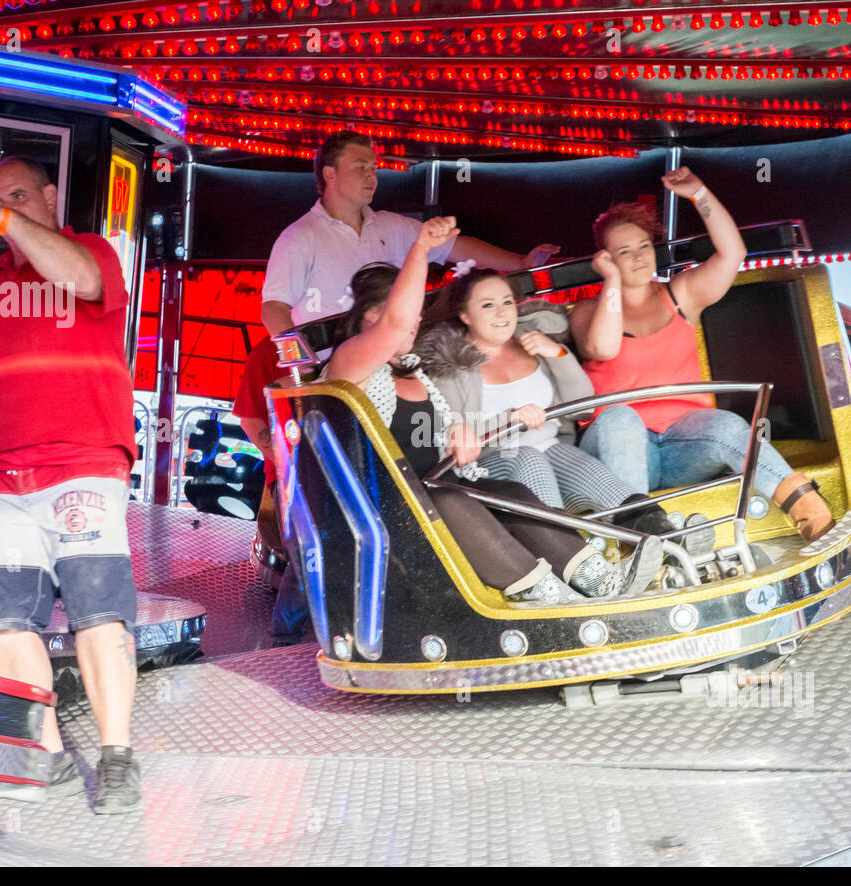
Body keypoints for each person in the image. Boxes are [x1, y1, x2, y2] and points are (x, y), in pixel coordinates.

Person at [0, 156, 141, 813]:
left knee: (98, 614)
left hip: (84, 462)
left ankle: (117, 755)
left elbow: (74, 273)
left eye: (16, 198)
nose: (0, 211)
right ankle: (44, 753)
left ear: (49, 197)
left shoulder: (92, 253)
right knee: (1, 622)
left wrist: (4, 219)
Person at [323, 218, 663, 602]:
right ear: (365, 320)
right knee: (453, 498)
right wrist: (421, 248)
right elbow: (394, 323)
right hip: (388, 503)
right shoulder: (351, 365)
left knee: (508, 491)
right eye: (385, 319)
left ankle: (599, 578)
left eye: (414, 319)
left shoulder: (416, 369)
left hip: (443, 481)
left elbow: (433, 433)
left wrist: (456, 432)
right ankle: (548, 594)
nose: (405, 327)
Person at [572, 169, 834, 542]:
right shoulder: (588, 310)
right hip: (620, 452)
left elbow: (733, 253)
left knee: (728, 425)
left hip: (681, 446)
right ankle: (640, 541)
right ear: (605, 258)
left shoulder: (679, 294)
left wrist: (699, 194)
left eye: (644, 246)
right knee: (620, 418)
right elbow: (603, 348)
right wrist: (612, 281)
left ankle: (813, 517)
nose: (637, 258)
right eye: (623, 252)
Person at [413, 267, 678, 538]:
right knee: (529, 458)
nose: (502, 312)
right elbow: (449, 441)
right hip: (492, 462)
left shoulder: (534, 340)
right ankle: (574, 556)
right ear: (465, 315)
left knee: (587, 472)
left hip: (553, 449)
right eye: (488, 305)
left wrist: (558, 354)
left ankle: (664, 535)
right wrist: (510, 418)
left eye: (507, 302)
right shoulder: (448, 366)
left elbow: (583, 407)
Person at [259, 131, 560, 335]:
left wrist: (522, 263)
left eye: (374, 168)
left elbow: (455, 246)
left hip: (394, 355)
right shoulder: (299, 237)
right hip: (334, 371)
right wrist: (304, 367)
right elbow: (274, 308)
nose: (371, 176)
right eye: (360, 167)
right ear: (329, 174)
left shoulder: (393, 225)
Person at [232, 334, 309, 643]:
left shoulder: (359, 341)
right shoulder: (271, 349)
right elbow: (250, 418)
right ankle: (283, 639)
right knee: (308, 551)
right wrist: (288, 462)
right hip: (293, 474)